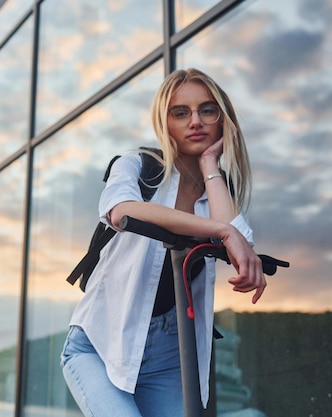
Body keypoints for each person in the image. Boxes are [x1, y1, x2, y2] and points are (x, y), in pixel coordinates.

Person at [60, 68, 266, 417]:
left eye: (207, 110)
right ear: (164, 121)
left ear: (222, 118)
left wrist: (210, 164)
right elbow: (119, 210)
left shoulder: (218, 187)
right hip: (98, 346)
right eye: (180, 112)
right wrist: (222, 231)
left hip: (169, 353)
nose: (195, 121)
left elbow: (239, 244)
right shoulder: (139, 167)